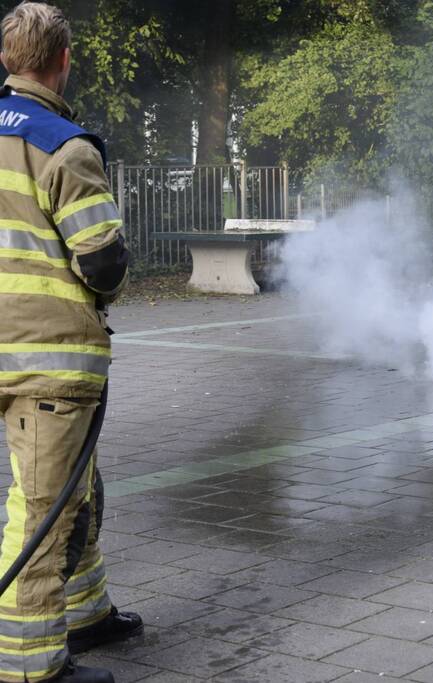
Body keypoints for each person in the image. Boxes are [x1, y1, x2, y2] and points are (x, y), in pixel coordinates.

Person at [0, 3, 140, 681]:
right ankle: (29, 663)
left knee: (73, 487)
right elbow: (102, 259)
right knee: (42, 509)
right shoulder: (62, 144)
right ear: (63, 60)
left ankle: (84, 612)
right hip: (46, 359)